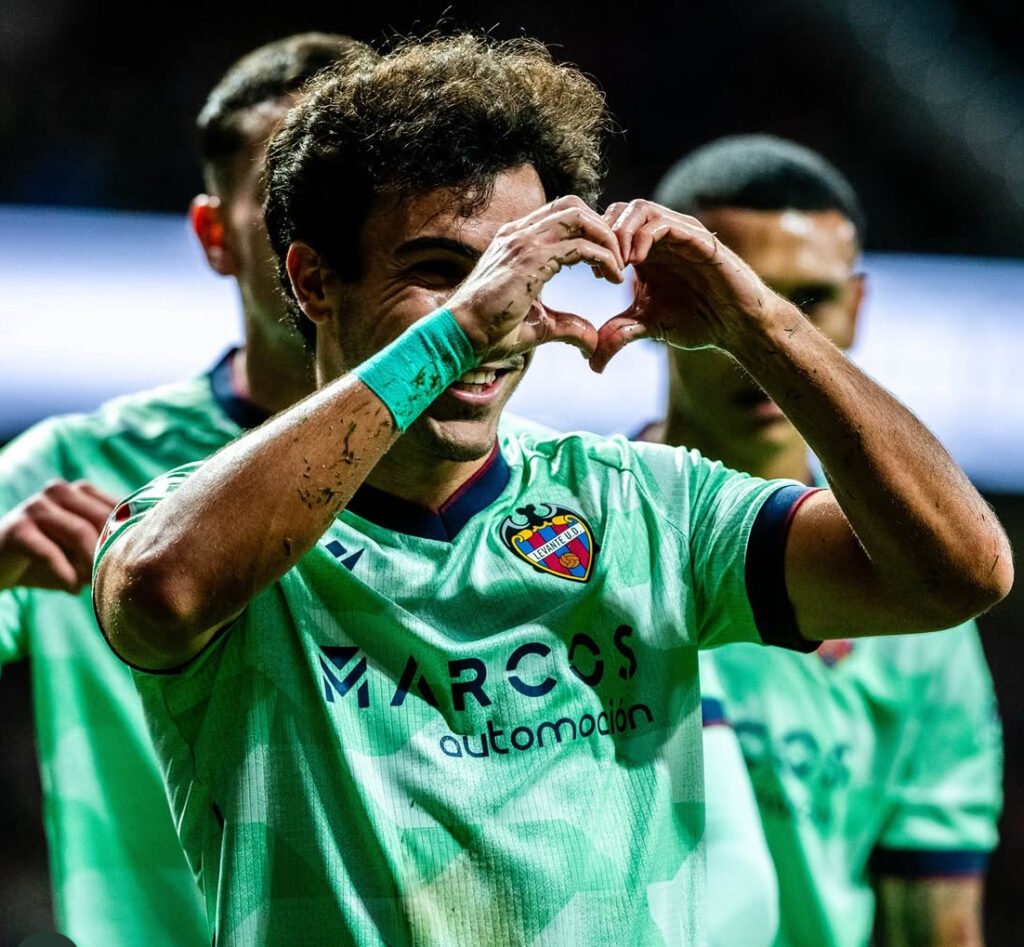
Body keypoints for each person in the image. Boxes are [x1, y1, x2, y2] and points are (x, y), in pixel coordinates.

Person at [93, 35, 1011, 946]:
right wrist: (456, 331)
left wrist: (760, 321)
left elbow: (961, 569)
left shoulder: (643, 506)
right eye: (440, 271)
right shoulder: (213, 526)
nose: (497, 317)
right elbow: (158, 595)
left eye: (522, 272)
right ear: (315, 280)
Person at [0, 32, 369, 945]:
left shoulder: (492, 469)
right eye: (287, 201)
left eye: (361, 200)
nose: (326, 238)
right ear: (214, 235)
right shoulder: (72, 467)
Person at [650, 134, 1004, 947]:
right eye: (731, 300)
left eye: (803, 302)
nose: (762, 343)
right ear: (653, 296)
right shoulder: (571, 540)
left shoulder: (924, 615)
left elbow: (937, 925)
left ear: (857, 305)